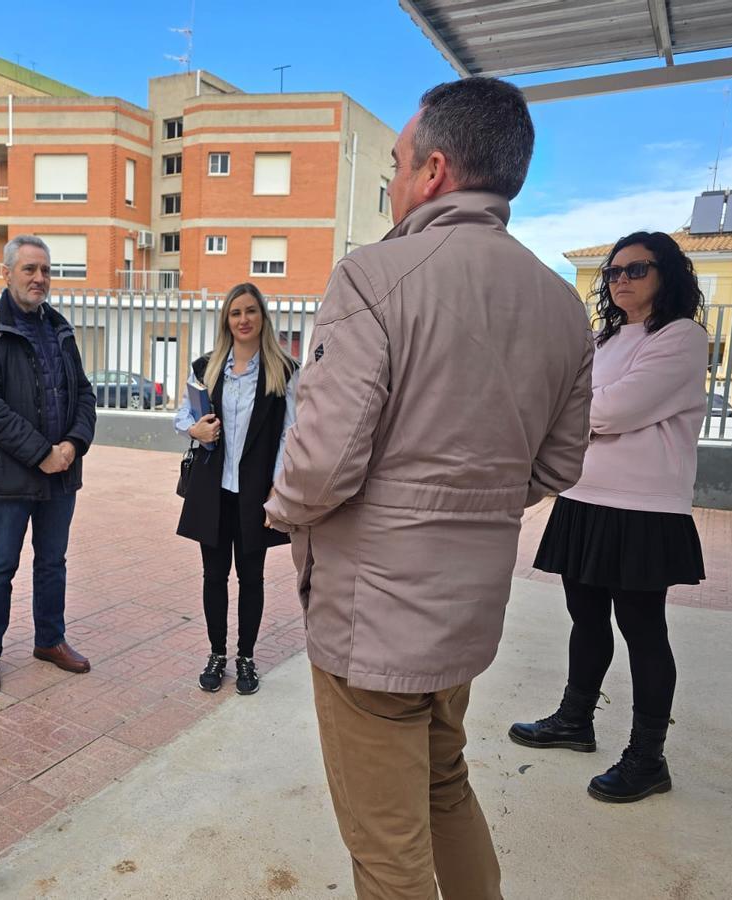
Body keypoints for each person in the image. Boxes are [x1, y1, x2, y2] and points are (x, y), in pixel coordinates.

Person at [264, 77, 595, 899]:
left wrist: (276, 512)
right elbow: (558, 465)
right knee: (445, 781)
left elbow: (322, 464)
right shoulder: (562, 306)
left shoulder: (374, 277)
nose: (394, 182)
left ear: (436, 170)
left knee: (387, 852)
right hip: (464, 618)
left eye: (398, 164)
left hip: (372, 620)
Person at [510, 232, 707, 804]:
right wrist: (580, 409)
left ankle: (648, 758)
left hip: (643, 507)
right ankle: (575, 721)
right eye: (614, 272)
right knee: (585, 617)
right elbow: (573, 399)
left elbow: (614, 408)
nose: (621, 279)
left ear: (666, 275)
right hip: (585, 495)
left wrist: (577, 411)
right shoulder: (606, 337)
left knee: (643, 631)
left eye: (637, 269)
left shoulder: (682, 336)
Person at [0, 235, 97, 697]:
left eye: (45, 270)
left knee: (53, 562)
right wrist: (43, 452)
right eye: (29, 270)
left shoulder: (59, 327)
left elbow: (84, 393)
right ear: (7, 273)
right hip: (10, 475)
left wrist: (74, 444)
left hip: (62, 474)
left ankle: (49, 640)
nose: (39, 278)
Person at [175, 283, 299, 695]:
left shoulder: (283, 370)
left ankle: (246, 656)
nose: (243, 320)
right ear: (226, 320)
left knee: (252, 578)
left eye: (250, 311)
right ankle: (217, 653)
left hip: (256, 495)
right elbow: (183, 417)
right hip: (213, 490)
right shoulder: (206, 367)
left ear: (262, 316)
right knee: (214, 576)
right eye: (235, 313)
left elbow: (288, 435)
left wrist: (277, 493)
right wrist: (195, 429)